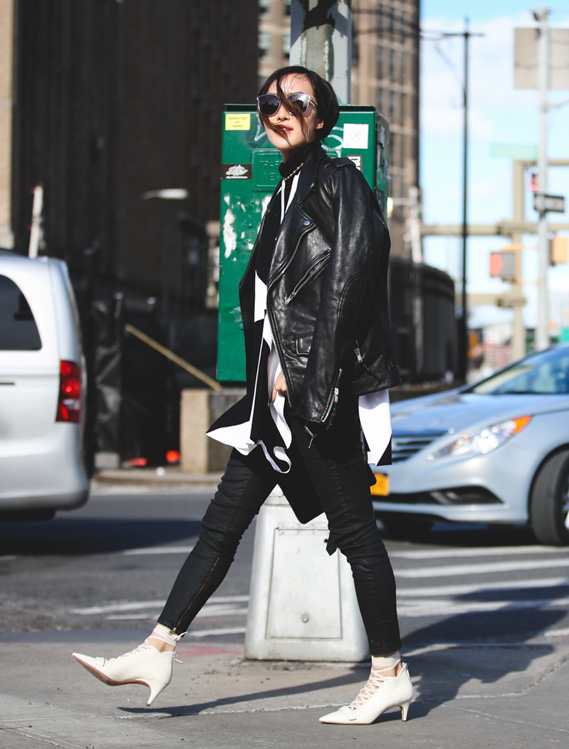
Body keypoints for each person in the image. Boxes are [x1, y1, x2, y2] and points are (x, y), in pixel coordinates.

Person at [72, 66, 412, 726]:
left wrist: (312, 374)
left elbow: (351, 282)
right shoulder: (286, 190)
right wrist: (272, 377)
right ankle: (156, 649)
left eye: (296, 101)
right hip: (272, 403)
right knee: (221, 526)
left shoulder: (339, 182)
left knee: (356, 536)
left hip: (313, 398)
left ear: (322, 117)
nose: (279, 111)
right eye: (269, 102)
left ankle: (389, 674)